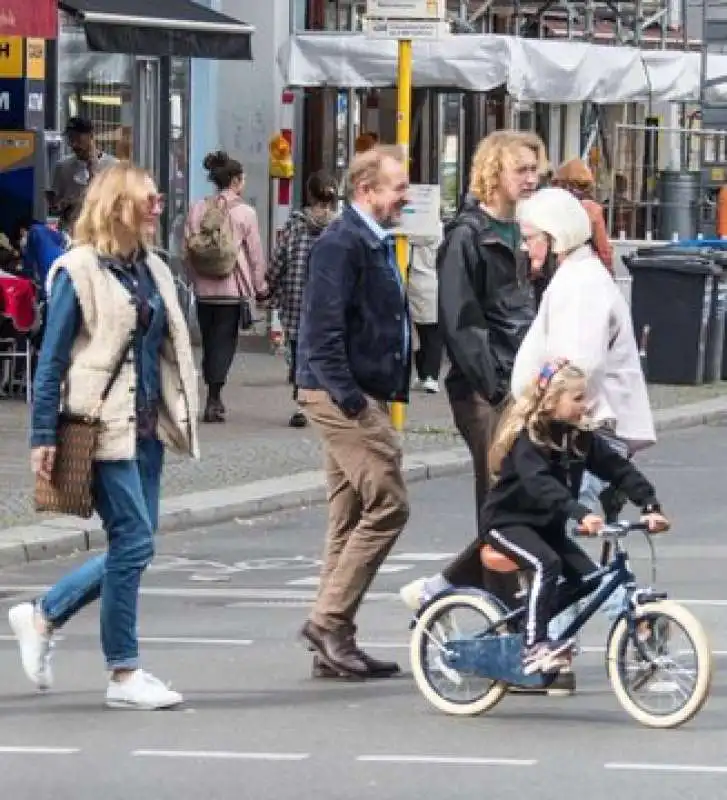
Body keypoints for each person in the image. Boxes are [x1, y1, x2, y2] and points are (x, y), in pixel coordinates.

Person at [8, 163, 199, 710]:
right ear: (119, 204)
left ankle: (44, 614)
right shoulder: (78, 270)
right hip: (100, 427)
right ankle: (123, 673)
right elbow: (50, 362)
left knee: (134, 548)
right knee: (135, 543)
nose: (159, 203)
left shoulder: (151, 267)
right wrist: (42, 435)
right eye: (150, 196)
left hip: (146, 428)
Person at [511, 184, 656, 692]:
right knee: (588, 541)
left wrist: (539, 410)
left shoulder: (580, 285)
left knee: (563, 536)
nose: (527, 247)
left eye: (531, 237)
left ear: (554, 238)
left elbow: (576, 366)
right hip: (596, 430)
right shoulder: (579, 277)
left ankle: (563, 651)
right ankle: (575, 645)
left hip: (586, 432)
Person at [400, 130, 546, 612]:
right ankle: (501, 612)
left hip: (522, 382)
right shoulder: (468, 235)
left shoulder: (526, 230)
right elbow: (461, 323)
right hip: (487, 390)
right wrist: (500, 386)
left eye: (534, 168)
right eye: (520, 169)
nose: (531, 178)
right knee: (502, 499)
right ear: (493, 172)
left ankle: (453, 590)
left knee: (520, 498)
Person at [296, 144, 411, 680]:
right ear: (367, 191)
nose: (405, 195)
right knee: (389, 503)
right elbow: (321, 333)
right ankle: (328, 620)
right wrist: (351, 399)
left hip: (354, 388)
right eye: (397, 187)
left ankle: (334, 640)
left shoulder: (371, 240)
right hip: (341, 392)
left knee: (347, 515)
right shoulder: (341, 243)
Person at [481, 359, 669, 675]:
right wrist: (579, 513)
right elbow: (540, 484)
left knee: (589, 579)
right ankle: (534, 646)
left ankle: (530, 621)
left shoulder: (579, 438)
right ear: (552, 400)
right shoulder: (529, 438)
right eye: (578, 398)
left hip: (547, 526)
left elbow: (617, 469)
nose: (586, 404)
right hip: (507, 522)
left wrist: (650, 505)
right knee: (547, 563)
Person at [186, 151, 267, 423]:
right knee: (224, 343)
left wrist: (192, 280)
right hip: (231, 291)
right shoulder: (245, 213)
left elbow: (188, 247)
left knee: (209, 342)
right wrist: (260, 287)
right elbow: (254, 254)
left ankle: (211, 391)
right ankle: (214, 396)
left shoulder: (198, 207)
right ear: (234, 181)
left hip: (203, 291)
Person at [266, 171, 338, 428]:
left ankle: (302, 404)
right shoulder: (341, 227)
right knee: (327, 352)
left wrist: (269, 286)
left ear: (309, 194)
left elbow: (279, 260)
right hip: (330, 302)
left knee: (299, 353)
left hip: (298, 300)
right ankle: (326, 401)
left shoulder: (295, 225)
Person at [48, 117, 117, 231]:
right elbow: (55, 207)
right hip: (70, 230)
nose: (74, 144)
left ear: (91, 136)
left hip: (101, 230)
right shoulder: (62, 166)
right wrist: (60, 205)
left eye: (78, 139)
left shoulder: (113, 166)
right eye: (70, 139)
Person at [551, 158, 613, 273]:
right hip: (582, 270)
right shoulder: (591, 208)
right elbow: (604, 250)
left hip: (553, 270)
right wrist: (610, 273)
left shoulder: (550, 204)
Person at [409, 221, 444, 394]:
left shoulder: (414, 231)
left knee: (421, 334)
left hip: (415, 283)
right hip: (432, 284)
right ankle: (429, 376)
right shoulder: (437, 228)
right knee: (431, 334)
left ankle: (426, 375)